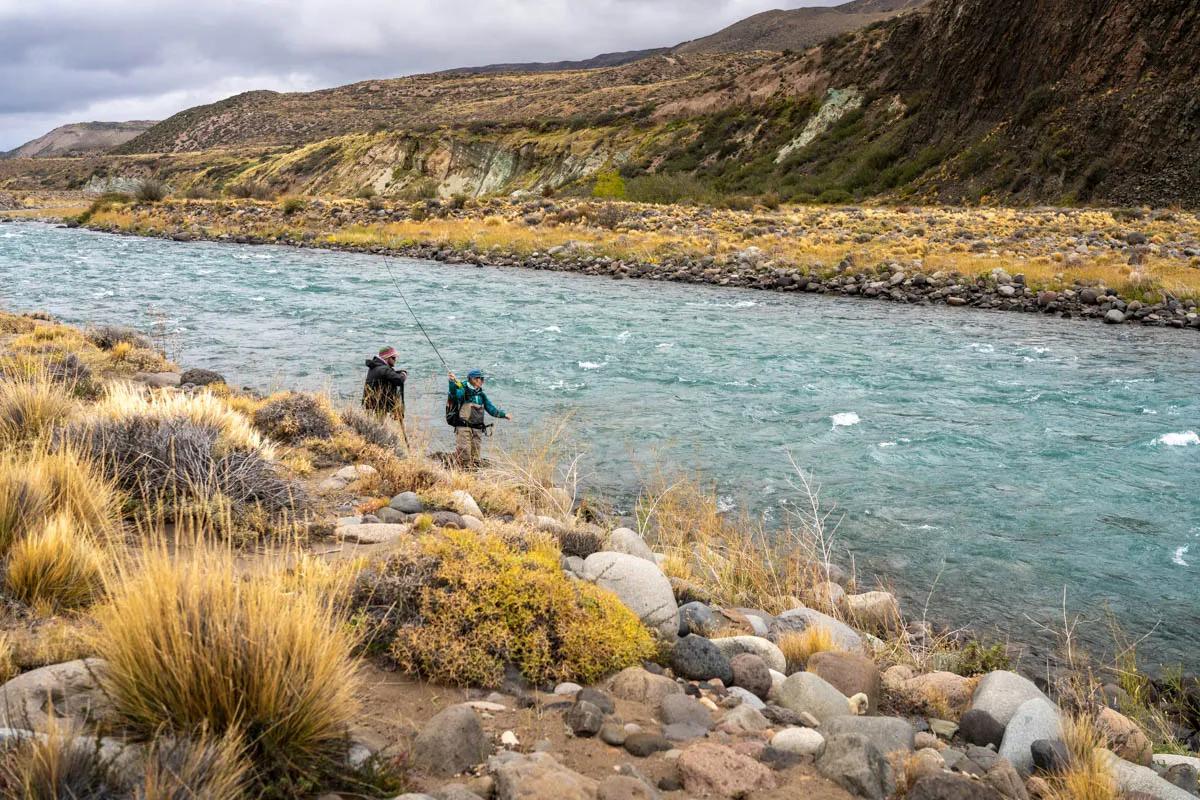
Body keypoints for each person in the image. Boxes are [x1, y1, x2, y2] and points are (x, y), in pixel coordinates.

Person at [447, 368, 513, 467]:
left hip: (477, 430)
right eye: (481, 379)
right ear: (473, 379)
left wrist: (504, 415)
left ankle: (473, 474)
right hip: (463, 428)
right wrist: (452, 382)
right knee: (464, 453)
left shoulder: (481, 395)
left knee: (476, 456)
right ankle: (462, 475)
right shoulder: (462, 390)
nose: (482, 381)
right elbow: (453, 395)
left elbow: (491, 409)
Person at [362, 346, 408, 419]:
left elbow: (389, 375)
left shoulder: (375, 366)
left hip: (371, 404)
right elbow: (399, 380)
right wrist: (404, 374)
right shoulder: (383, 369)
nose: (395, 360)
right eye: (393, 358)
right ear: (387, 358)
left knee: (375, 424)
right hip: (378, 405)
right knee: (379, 425)